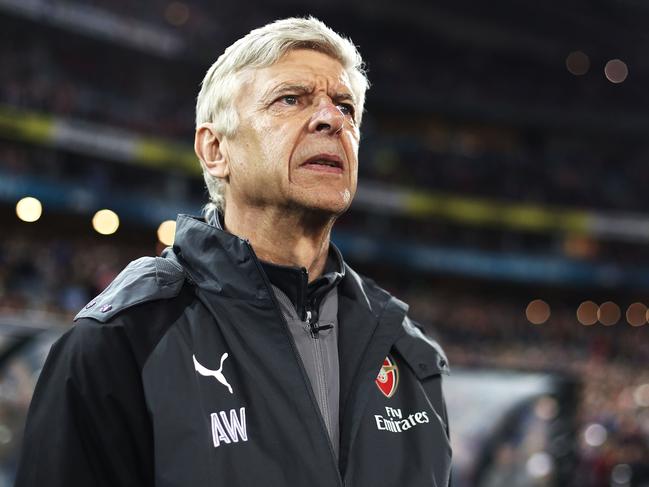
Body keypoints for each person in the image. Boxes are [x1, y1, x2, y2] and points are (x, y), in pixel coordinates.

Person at [15, 17, 451, 487]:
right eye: (291, 99)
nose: (332, 119)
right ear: (215, 150)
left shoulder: (409, 354)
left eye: (345, 107)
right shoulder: (122, 342)